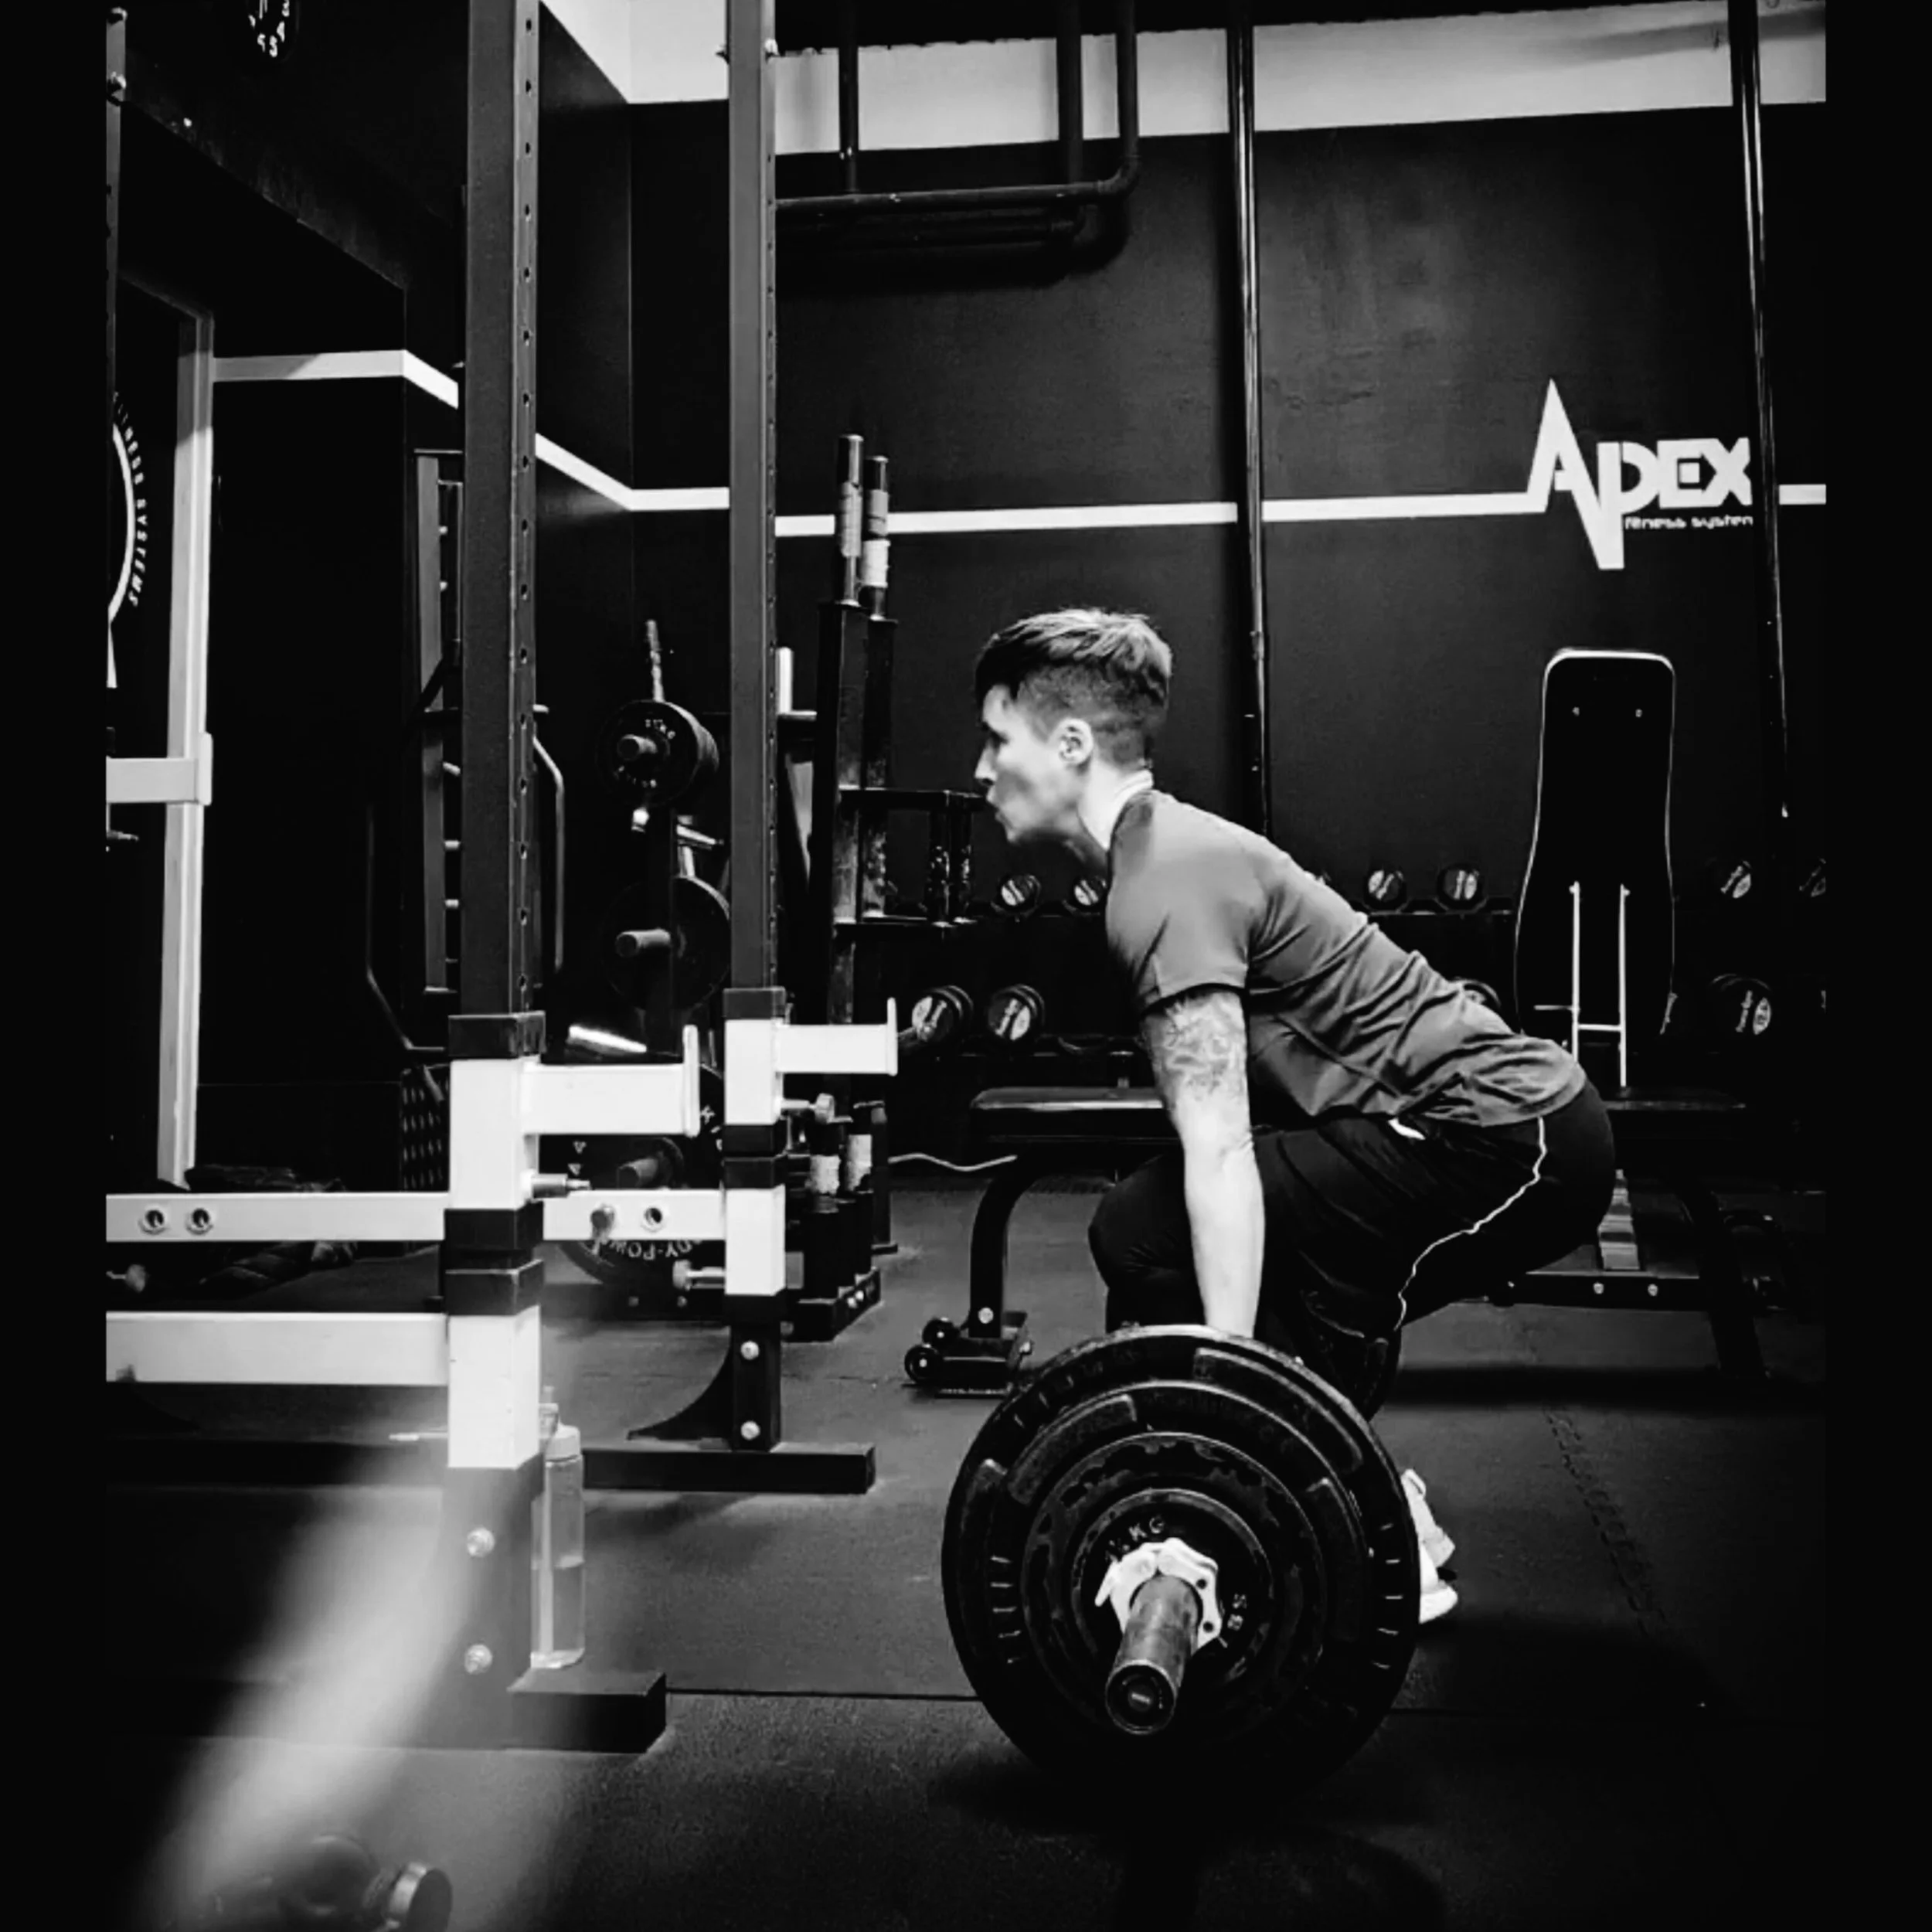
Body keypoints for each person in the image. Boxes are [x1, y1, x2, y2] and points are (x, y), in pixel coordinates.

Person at [971, 610, 1617, 1622]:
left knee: (1148, 1232)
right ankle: (1379, 1513)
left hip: (1506, 1136)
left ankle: (1340, 1508)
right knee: (1221, 1256)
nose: (982, 768)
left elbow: (1221, 1151)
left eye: (997, 738)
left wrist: (1219, 1386)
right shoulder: (1163, 856)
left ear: (1069, 744)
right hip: (1481, 1129)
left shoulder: (1166, 878)